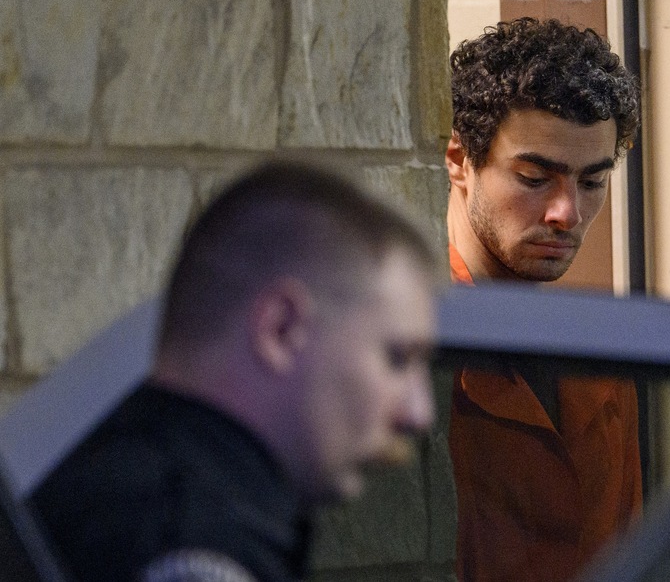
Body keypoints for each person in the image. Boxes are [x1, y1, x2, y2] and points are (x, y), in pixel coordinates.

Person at [30, 159, 438, 581]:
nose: (418, 413)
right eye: (397, 358)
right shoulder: (194, 549)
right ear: (282, 328)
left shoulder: (111, 489)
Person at [445, 17, 643, 581]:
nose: (567, 214)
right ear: (460, 161)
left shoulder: (601, 358)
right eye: (535, 178)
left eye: (592, 182)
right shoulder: (413, 351)